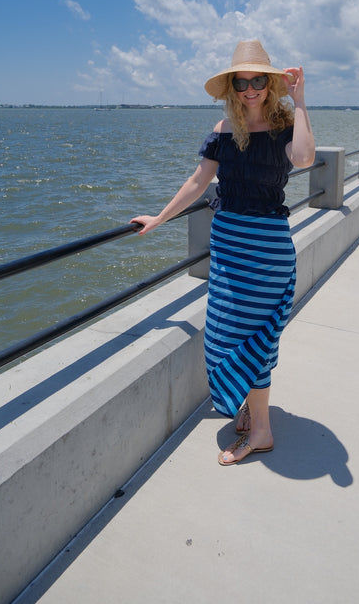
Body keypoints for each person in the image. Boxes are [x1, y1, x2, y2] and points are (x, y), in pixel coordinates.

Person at [131, 39, 315, 465]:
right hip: (229, 246)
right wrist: (159, 219)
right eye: (241, 82)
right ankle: (251, 408)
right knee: (222, 335)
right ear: (232, 88)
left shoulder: (286, 126)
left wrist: (301, 100)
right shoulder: (223, 130)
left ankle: (262, 431)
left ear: (269, 84)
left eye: (257, 81)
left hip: (266, 248)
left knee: (256, 335)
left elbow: (305, 159)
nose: (250, 90)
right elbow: (198, 182)